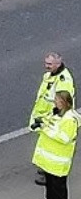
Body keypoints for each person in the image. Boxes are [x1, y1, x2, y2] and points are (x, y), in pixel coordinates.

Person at [31, 91, 78, 199]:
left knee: (59, 187)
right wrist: (41, 122)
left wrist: (45, 130)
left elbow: (64, 138)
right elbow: (49, 122)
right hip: (50, 160)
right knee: (50, 184)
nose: (54, 102)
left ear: (64, 102)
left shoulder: (70, 119)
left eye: (57, 100)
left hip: (59, 161)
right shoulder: (56, 113)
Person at [29, 52, 75, 186]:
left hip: (53, 118)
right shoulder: (49, 76)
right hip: (44, 115)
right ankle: (45, 169)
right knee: (45, 143)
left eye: (50, 64)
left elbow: (63, 102)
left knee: (51, 145)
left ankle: (47, 172)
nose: (46, 66)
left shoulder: (63, 81)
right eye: (46, 63)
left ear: (58, 64)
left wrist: (52, 119)